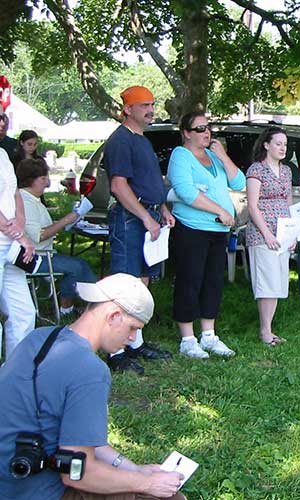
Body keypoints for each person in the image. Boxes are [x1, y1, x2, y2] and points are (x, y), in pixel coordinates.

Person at [0, 273, 186, 500]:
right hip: (36, 491)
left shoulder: (40, 338)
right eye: (133, 328)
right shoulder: (90, 370)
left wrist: (134, 469)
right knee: (170, 498)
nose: (132, 338)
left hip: (9, 479)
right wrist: (147, 483)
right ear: (114, 316)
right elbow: (76, 473)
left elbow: (76, 440)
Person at [103, 85, 174, 375]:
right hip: (130, 219)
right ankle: (115, 351)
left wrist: (163, 210)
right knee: (125, 283)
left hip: (148, 214)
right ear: (127, 109)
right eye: (143, 105)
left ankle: (134, 342)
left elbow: (150, 181)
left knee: (142, 282)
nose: (150, 109)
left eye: (151, 104)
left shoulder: (142, 139)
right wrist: (146, 217)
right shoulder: (121, 140)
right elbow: (119, 186)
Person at [167, 111, 244, 359]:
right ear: (186, 133)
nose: (206, 132)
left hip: (217, 230)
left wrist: (222, 154)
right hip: (192, 228)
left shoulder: (213, 156)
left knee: (213, 282)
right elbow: (186, 192)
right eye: (199, 129)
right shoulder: (181, 156)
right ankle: (187, 339)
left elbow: (239, 182)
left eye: (208, 127)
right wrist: (220, 210)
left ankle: (208, 335)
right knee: (190, 281)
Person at [17, 158, 97, 316]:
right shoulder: (26, 202)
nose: (47, 183)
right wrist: (66, 220)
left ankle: (92, 303)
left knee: (79, 263)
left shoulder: (31, 199)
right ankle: (90, 305)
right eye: (43, 178)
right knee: (76, 267)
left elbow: (40, 228)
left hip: (41, 253)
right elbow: (39, 235)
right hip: (35, 257)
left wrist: (64, 222)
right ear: (31, 180)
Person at [245, 126, 295, 346]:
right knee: (267, 281)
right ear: (266, 145)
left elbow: (289, 202)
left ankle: (270, 328)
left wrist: (292, 233)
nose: (282, 148)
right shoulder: (257, 170)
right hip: (262, 234)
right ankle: (265, 331)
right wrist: (267, 234)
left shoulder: (286, 171)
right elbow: (253, 206)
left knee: (278, 281)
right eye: (278, 143)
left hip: (282, 232)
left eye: (285, 144)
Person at [0, 146, 36, 360]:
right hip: (8, 237)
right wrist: (17, 234)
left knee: (23, 313)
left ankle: (13, 376)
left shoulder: (3, 154)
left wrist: (20, 224)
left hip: (10, 246)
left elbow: (14, 193)